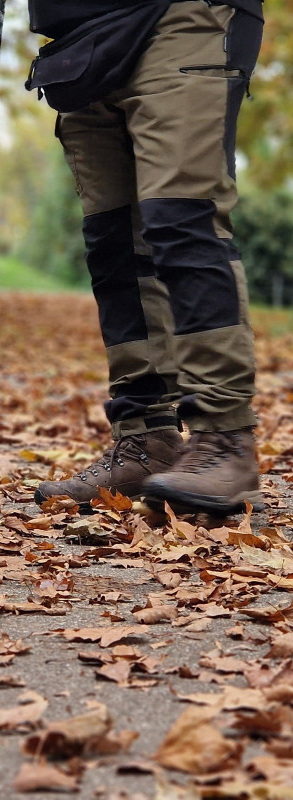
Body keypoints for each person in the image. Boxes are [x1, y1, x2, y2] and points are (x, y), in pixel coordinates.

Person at [27, 0, 265, 516]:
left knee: (182, 219)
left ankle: (224, 440)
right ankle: (145, 440)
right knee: (113, 245)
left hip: (184, 15)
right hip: (80, 39)